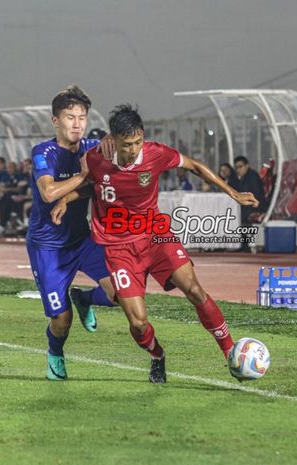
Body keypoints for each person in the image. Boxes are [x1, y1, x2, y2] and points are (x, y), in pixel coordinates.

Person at [55, 104, 258, 383]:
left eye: (138, 141)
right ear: (113, 140)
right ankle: (157, 355)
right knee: (138, 324)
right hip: (119, 249)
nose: (134, 149)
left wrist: (233, 193)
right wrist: (65, 199)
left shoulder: (155, 153)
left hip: (156, 236)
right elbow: (90, 186)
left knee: (195, 290)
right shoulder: (95, 159)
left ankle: (230, 352)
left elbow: (195, 166)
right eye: (127, 144)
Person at [27, 85, 117, 380]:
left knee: (120, 294)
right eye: (70, 117)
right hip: (48, 248)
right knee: (62, 320)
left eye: (82, 117)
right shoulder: (43, 152)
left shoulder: (92, 148)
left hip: (82, 240)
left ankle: (86, 299)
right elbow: (49, 191)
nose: (77, 123)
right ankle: (55, 352)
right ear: (56, 121)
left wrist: (74, 193)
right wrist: (83, 174)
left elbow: (99, 179)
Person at [228, 156, 265, 252]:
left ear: (247, 166)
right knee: (234, 212)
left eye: (240, 166)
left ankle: (244, 245)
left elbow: (255, 194)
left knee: (240, 214)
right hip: (247, 205)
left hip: (256, 206)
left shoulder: (252, 176)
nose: (238, 170)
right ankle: (241, 244)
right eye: (236, 167)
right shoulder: (240, 177)